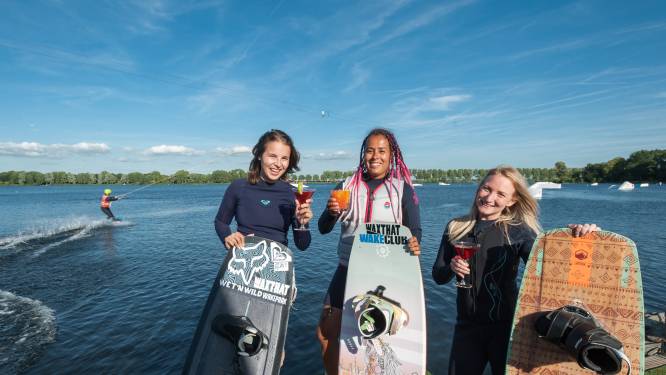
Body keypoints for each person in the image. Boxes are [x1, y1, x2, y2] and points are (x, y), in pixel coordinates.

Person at [432, 165, 598, 375]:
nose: (490, 197)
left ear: (512, 201)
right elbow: (438, 276)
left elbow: (551, 271)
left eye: (501, 194)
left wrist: (580, 240)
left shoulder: (518, 231)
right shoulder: (455, 227)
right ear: (478, 189)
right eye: (486, 188)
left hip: (506, 329)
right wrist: (451, 267)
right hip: (466, 328)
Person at [317, 128, 422, 375]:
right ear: (363, 154)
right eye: (370, 150)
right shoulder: (346, 185)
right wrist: (332, 212)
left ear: (391, 155)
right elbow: (323, 228)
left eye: (382, 150)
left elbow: (415, 230)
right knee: (325, 333)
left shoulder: (402, 189)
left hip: (387, 272)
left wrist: (416, 242)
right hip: (347, 268)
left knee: (380, 336)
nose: (375, 156)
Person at [214, 128, 313, 252]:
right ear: (259, 155)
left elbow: (303, 245)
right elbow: (220, 222)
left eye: (284, 158)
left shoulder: (293, 193)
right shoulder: (238, 187)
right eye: (272, 156)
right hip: (243, 262)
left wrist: (302, 223)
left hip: (277, 266)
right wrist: (227, 237)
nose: (278, 164)